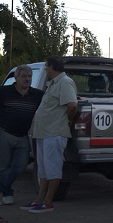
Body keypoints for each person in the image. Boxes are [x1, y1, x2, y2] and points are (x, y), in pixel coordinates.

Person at [22, 56, 78, 213]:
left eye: (46, 66)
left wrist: (66, 120)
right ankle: (39, 199)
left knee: (53, 167)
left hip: (55, 132)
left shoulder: (65, 82)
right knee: (44, 169)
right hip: (43, 132)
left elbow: (72, 105)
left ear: (52, 67)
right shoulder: (52, 84)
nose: (45, 69)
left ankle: (48, 202)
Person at [0, 65, 44, 206]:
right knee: (3, 167)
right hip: (4, 133)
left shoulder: (37, 95)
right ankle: (7, 194)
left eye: (29, 76)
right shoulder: (4, 91)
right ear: (16, 77)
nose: (27, 79)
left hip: (23, 136)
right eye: (24, 76)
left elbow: (52, 100)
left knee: (21, 165)